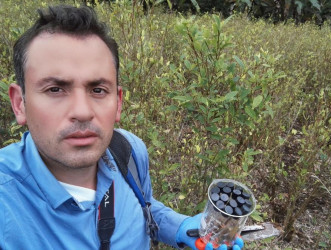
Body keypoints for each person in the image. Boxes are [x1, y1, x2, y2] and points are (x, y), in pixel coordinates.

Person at [0, 5, 244, 250]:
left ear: (117, 103)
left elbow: (144, 206)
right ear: (20, 104)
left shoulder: (127, 151)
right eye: (55, 89)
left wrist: (180, 228)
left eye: (98, 90)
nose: (83, 111)